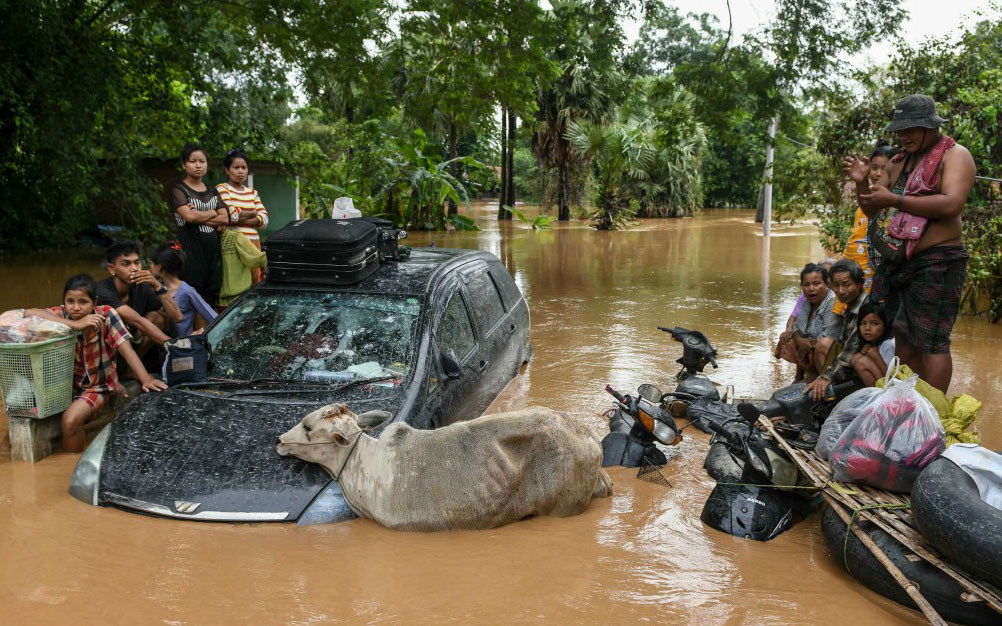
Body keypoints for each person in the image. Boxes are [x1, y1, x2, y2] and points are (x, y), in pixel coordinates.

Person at [844, 94, 976, 392]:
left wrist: (893, 199)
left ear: (931, 126)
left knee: (932, 341)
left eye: (911, 129)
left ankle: (936, 413)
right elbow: (872, 209)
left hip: (938, 260)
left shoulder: (955, 155)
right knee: (903, 335)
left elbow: (952, 204)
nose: (903, 136)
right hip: (900, 260)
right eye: (899, 130)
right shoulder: (898, 162)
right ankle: (909, 403)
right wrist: (862, 182)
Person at [25, 274, 167, 452]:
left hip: (97, 387)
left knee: (70, 421)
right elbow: (29, 313)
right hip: (66, 386)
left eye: (83, 302)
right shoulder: (63, 314)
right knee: (20, 423)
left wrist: (145, 378)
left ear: (94, 302)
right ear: (64, 302)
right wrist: (74, 324)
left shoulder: (107, 315)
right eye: (70, 301)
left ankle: (71, 467)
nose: (75, 308)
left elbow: (126, 349)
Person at [97, 240, 182, 359]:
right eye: (126, 264)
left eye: (137, 263)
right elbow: (136, 321)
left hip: (132, 343)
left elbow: (177, 317)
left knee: (158, 317)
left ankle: (131, 370)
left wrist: (157, 286)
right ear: (111, 269)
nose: (134, 268)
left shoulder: (142, 286)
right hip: (106, 348)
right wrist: (175, 344)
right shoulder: (102, 290)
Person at [170, 143, 229, 306]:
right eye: (193, 161)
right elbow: (188, 217)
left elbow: (225, 218)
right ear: (184, 164)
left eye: (202, 161)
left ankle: (208, 331)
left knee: (211, 295)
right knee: (192, 294)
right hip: (190, 252)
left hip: (213, 253)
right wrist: (212, 212)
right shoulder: (179, 191)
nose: (198, 165)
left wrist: (199, 215)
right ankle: (193, 332)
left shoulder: (212, 191)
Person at [805, 259, 869, 400]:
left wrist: (826, 377)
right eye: (836, 285)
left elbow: (851, 351)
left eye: (846, 285)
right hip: (853, 363)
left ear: (860, 284)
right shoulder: (851, 306)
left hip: (866, 367)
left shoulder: (865, 310)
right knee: (826, 344)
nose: (841, 291)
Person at [842, 140, 899, 294]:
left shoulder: (898, 200)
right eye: (874, 168)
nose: (878, 174)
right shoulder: (866, 198)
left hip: (880, 279)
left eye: (885, 168)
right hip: (855, 276)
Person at [776, 263, 839, 381]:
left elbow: (828, 335)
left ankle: (820, 378)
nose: (811, 289)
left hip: (829, 350)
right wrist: (799, 339)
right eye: (806, 285)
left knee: (819, 344)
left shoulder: (831, 301)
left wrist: (807, 342)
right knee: (787, 338)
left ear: (827, 284)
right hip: (810, 343)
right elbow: (797, 325)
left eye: (816, 284)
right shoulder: (807, 301)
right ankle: (800, 378)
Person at [216, 149, 269, 285]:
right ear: (227, 170)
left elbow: (264, 220)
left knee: (255, 282)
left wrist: (239, 216)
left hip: (254, 244)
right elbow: (229, 215)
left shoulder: (252, 192)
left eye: (244, 167)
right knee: (237, 283)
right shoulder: (222, 189)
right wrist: (252, 213)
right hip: (234, 244)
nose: (240, 171)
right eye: (236, 167)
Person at [149, 242, 217, 336]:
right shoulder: (156, 289)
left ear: (159, 267)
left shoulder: (187, 291)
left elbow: (211, 316)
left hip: (182, 346)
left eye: (152, 263)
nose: (150, 267)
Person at [850, 302, 896, 386]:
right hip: (886, 383)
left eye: (874, 323)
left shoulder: (889, 344)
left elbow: (893, 379)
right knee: (856, 358)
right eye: (863, 323)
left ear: (885, 325)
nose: (867, 328)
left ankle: (878, 396)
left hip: (894, 387)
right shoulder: (874, 343)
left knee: (861, 362)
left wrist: (876, 356)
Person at [219, 228, 268, 308]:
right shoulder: (209, 237)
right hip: (216, 302)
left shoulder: (236, 237)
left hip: (240, 300)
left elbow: (259, 259)